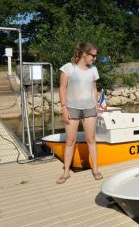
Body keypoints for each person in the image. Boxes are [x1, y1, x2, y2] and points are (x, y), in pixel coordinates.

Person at [56, 43, 103, 184]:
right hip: (71, 108)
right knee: (70, 141)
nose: (95, 58)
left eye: (95, 56)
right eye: (93, 55)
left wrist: (96, 104)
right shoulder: (68, 67)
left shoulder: (93, 70)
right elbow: (62, 88)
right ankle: (66, 173)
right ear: (85, 54)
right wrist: (64, 108)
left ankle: (95, 169)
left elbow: (94, 89)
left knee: (91, 139)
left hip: (89, 108)